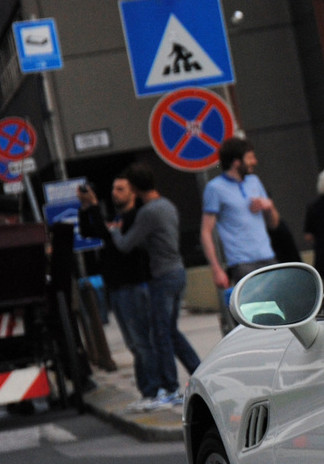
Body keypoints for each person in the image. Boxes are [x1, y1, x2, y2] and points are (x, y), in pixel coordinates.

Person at [108, 163, 200, 400]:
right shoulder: (167, 205)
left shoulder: (148, 212)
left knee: (161, 335)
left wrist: (115, 231)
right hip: (178, 271)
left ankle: (171, 388)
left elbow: (126, 244)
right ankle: (199, 373)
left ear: (135, 189)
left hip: (162, 276)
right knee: (171, 331)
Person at [80, 174, 162, 410]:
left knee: (141, 341)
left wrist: (94, 206)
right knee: (134, 344)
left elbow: (111, 238)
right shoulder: (117, 218)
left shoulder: (136, 217)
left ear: (133, 193)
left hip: (133, 286)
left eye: (121, 189)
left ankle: (153, 390)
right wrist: (86, 208)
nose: (115, 192)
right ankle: (147, 390)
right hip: (117, 289)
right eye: (114, 188)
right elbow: (90, 232)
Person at [201, 137, 279, 332]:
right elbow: (206, 231)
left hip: (268, 257)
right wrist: (216, 268)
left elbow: (274, 223)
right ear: (237, 162)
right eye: (250, 158)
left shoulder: (254, 181)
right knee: (256, 318)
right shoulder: (215, 188)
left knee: (281, 312)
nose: (255, 162)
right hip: (242, 262)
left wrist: (269, 207)